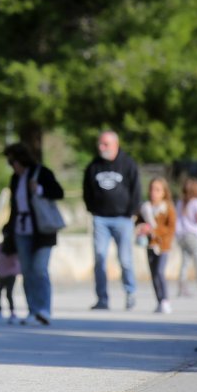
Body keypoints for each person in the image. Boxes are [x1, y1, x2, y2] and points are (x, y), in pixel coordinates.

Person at [3, 142, 64, 326]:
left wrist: (39, 189)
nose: (11, 165)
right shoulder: (15, 178)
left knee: (40, 269)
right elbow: (14, 206)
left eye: (12, 161)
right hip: (22, 230)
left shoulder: (41, 173)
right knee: (27, 272)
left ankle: (44, 310)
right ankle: (33, 310)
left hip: (42, 230)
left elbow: (58, 192)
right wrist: (8, 228)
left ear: (21, 159)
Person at [83, 130, 141, 311]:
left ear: (115, 144)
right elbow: (87, 190)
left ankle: (130, 293)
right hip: (100, 219)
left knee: (125, 259)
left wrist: (131, 212)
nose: (101, 147)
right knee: (100, 258)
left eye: (105, 144)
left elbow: (136, 189)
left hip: (123, 219)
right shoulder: (94, 166)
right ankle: (102, 299)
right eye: (100, 144)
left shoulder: (128, 164)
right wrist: (92, 209)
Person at [136, 177, 176, 314]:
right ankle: (159, 301)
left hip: (163, 246)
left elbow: (171, 228)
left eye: (158, 190)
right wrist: (141, 228)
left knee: (160, 271)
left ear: (164, 192)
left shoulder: (168, 208)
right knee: (153, 274)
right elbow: (138, 221)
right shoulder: (145, 208)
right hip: (150, 245)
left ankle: (165, 300)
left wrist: (154, 230)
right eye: (152, 189)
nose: (154, 192)